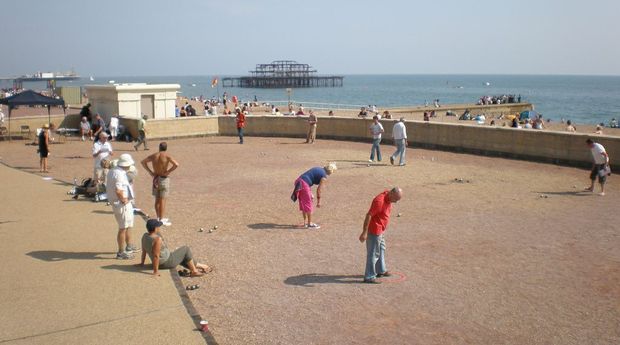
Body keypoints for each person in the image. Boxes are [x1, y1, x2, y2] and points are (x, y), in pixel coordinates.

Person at [358, 187, 403, 284]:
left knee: (382, 248)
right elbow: (368, 215)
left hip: (380, 230)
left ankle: (380, 270)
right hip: (374, 231)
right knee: (373, 254)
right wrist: (364, 232)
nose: (395, 202)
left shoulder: (388, 195)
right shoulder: (379, 201)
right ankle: (369, 277)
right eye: (395, 199)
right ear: (391, 194)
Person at [140, 219, 211, 276]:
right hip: (166, 262)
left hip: (164, 260)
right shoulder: (157, 239)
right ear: (155, 229)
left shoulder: (145, 236)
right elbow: (156, 256)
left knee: (183, 257)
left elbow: (144, 251)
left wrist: (142, 263)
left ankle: (203, 266)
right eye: (158, 226)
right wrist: (155, 272)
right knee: (186, 249)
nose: (159, 228)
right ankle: (194, 271)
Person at [106, 154, 139, 259]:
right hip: (122, 204)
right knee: (123, 228)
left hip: (123, 204)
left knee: (128, 225)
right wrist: (123, 200)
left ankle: (128, 246)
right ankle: (121, 252)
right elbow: (118, 190)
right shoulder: (119, 174)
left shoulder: (114, 171)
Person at [141, 142, 179, 226]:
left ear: (159, 147)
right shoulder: (167, 156)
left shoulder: (154, 155)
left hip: (156, 178)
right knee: (163, 199)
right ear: (166, 148)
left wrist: (150, 172)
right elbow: (176, 164)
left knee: (157, 199)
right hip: (163, 178)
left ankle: (158, 217)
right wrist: (168, 171)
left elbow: (143, 162)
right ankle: (161, 219)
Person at [291, 163, 337, 229]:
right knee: (308, 203)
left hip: (299, 181)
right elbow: (319, 190)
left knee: (303, 202)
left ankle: (305, 223)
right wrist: (319, 201)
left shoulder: (318, 168)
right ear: (331, 171)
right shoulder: (324, 176)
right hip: (304, 184)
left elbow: (309, 177)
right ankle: (309, 224)